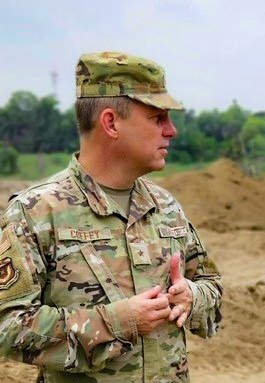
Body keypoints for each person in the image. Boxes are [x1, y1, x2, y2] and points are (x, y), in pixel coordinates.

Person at [0, 52, 222, 382]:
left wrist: (193, 296)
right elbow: (7, 326)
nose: (171, 130)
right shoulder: (36, 212)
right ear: (111, 123)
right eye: (157, 117)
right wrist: (116, 322)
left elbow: (212, 291)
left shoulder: (166, 207)